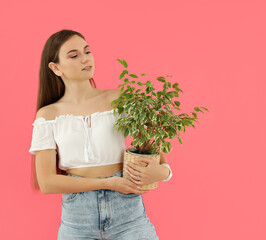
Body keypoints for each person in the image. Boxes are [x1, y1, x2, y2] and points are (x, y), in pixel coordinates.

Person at [28, 29, 173, 239]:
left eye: (87, 51)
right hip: (77, 223)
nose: (85, 59)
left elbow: (152, 149)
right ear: (55, 67)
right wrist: (107, 183)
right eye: (74, 55)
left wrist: (164, 172)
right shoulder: (49, 115)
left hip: (129, 217)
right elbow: (47, 183)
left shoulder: (119, 99)